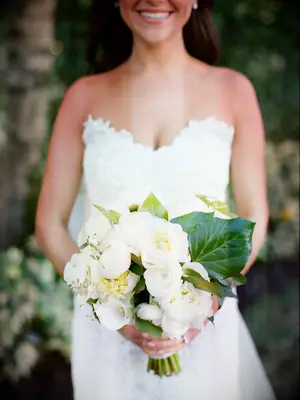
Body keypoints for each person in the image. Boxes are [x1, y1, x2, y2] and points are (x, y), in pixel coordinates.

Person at [35, 1, 277, 399]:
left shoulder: (234, 91)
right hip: (108, 334)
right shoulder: (82, 97)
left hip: (206, 327)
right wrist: (111, 306)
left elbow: (254, 217)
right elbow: (48, 226)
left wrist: (201, 306)